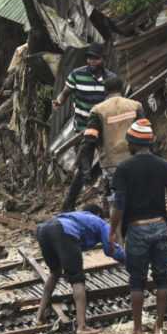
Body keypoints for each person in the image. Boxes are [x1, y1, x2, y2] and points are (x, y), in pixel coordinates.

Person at [109, 122, 167, 334]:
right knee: (162, 277)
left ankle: (137, 328)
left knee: (137, 280)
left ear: (133, 144)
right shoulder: (165, 166)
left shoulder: (124, 169)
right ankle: (159, 327)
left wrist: (112, 231)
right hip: (160, 227)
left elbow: (119, 204)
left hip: (137, 229)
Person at [35, 204, 126, 334]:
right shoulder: (99, 222)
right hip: (63, 231)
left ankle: (39, 317)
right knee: (77, 279)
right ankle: (82, 327)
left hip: (43, 230)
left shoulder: (75, 216)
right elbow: (110, 249)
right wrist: (127, 259)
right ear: (98, 214)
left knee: (55, 273)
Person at [53, 42, 117, 212]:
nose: (91, 61)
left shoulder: (111, 79)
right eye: (89, 58)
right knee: (83, 170)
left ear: (102, 59)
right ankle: (68, 206)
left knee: (108, 166)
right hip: (82, 130)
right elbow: (65, 92)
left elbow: (115, 101)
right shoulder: (77, 75)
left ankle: (110, 205)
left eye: (95, 59)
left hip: (103, 130)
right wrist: (59, 101)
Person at [80, 76, 144, 209]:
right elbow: (145, 133)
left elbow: (89, 141)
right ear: (121, 88)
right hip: (136, 159)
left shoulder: (97, 110)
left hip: (111, 162)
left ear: (105, 90)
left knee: (118, 199)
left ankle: (119, 226)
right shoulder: (135, 106)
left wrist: (86, 170)